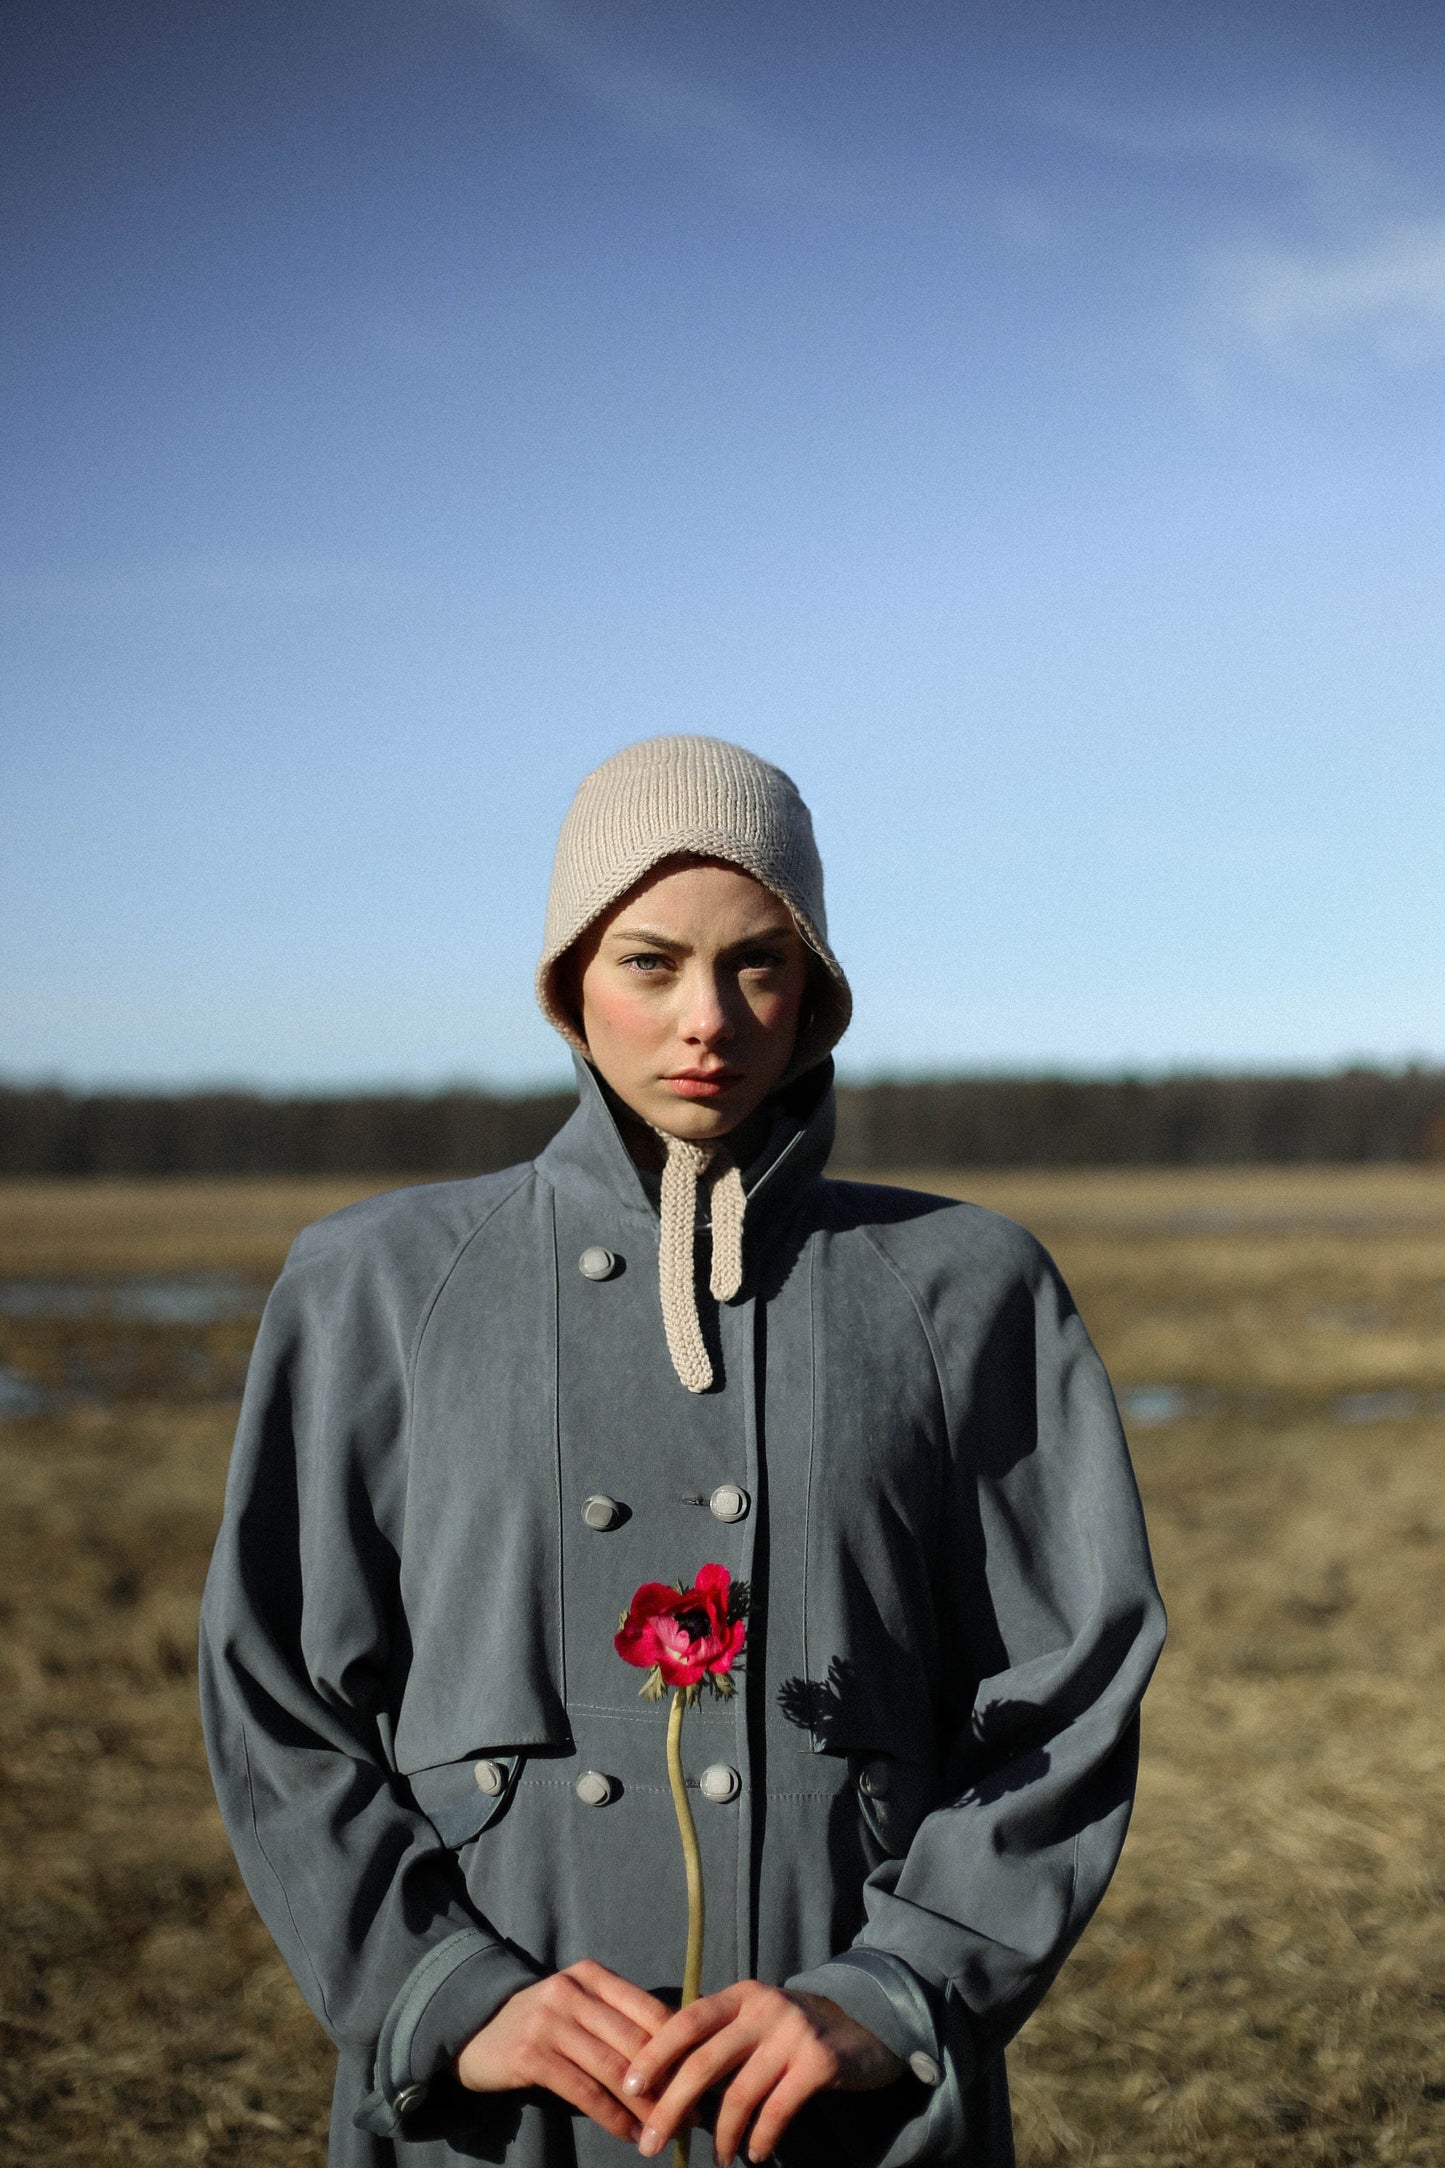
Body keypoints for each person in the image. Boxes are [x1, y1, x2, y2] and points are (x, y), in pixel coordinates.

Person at [200, 734, 1164, 2168]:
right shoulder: (378, 1284)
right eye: (649, 963)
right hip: (498, 2109)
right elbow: (275, 1693)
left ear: (814, 991)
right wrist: (438, 1991)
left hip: (844, 2106)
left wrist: (896, 1989)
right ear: (569, 985)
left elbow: (1066, 1696)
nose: (704, 1019)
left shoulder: (969, 1287)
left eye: (757, 964)